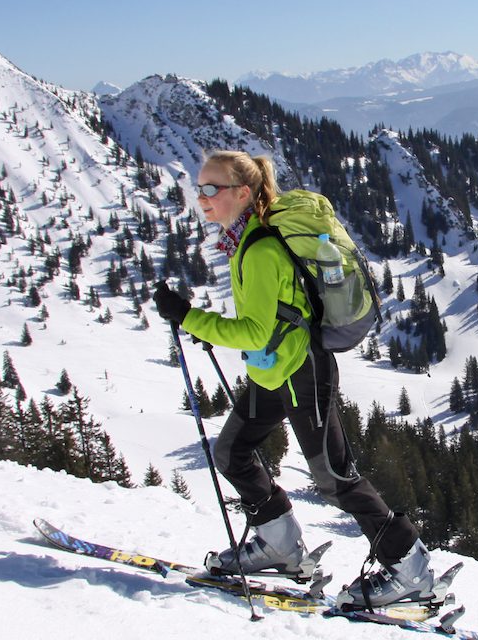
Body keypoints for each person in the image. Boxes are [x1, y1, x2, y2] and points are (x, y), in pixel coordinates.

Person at [153, 150, 434, 610]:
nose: (201, 198)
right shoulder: (245, 242)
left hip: (302, 374)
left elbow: (254, 332)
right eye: (199, 188)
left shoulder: (260, 249)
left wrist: (189, 317)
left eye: (211, 189)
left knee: (334, 479)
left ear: (241, 194)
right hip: (273, 374)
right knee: (232, 452)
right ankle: (278, 546)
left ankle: (411, 571)